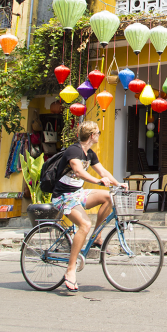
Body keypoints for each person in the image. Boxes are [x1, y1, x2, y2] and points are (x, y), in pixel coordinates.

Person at [50, 121, 123, 292]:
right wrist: (98, 181)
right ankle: (70, 271)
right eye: (98, 132)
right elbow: (78, 171)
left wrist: (118, 183)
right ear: (92, 135)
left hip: (77, 193)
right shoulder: (73, 150)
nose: (99, 135)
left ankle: (96, 236)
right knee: (84, 224)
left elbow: (103, 171)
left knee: (108, 197)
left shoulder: (89, 153)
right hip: (63, 196)